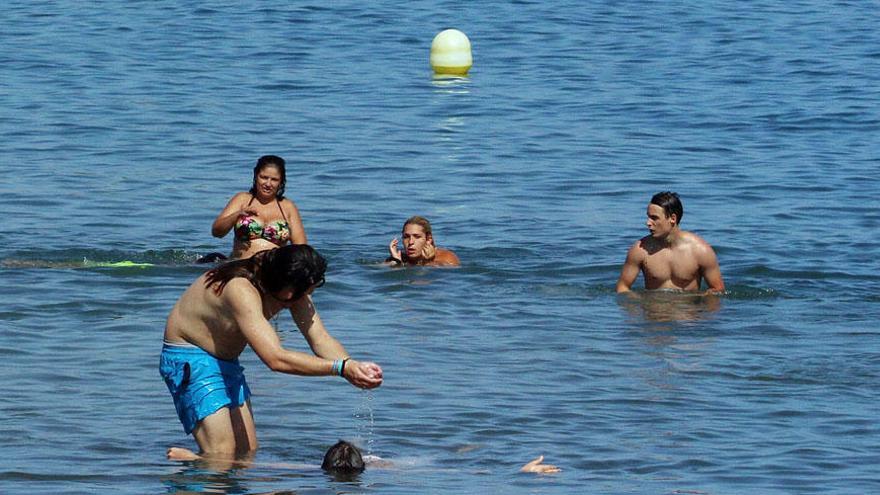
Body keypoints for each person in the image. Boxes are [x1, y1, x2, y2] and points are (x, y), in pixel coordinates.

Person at [160, 244, 383, 458]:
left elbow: (320, 339)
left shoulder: (290, 286)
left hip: (226, 362)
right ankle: (189, 461)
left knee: (246, 453)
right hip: (190, 357)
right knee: (222, 453)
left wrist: (354, 367)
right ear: (287, 289)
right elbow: (275, 359)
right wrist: (341, 369)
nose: (309, 295)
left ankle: (200, 463)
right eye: (308, 290)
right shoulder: (241, 289)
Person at [168, 440, 561, 475]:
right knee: (448, 455)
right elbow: (466, 472)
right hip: (404, 465)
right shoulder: (386, 469)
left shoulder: (307, 470)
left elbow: (243, 466)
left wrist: (194, 458)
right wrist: (519, 472)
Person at [616, 192, 724, 294]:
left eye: (654, 218)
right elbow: (622, 287)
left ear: (672, 219)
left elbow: (718, 290)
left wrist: (700, 304)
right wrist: (636, 306)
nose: (648, 223)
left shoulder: (700, 251)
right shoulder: (640, 250)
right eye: (648, 217)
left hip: (687, 311)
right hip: (653, 312)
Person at [208, 155, 308, 260]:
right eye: (264, 177)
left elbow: (302, 250)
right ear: (256, 176)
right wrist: (237, 215)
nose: (268, 184)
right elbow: (216, 232)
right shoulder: (242, 200)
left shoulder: (288, 207)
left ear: (281, 182)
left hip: (273, 269)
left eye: (274, 179)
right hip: (240, 266)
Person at [386, 216, 460, 267]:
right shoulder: (402, 257)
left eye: (417, 237)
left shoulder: (447, 258)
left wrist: (428, 262)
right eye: (406, 237)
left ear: (428, 239)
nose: (411, 242)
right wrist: (396, 262)